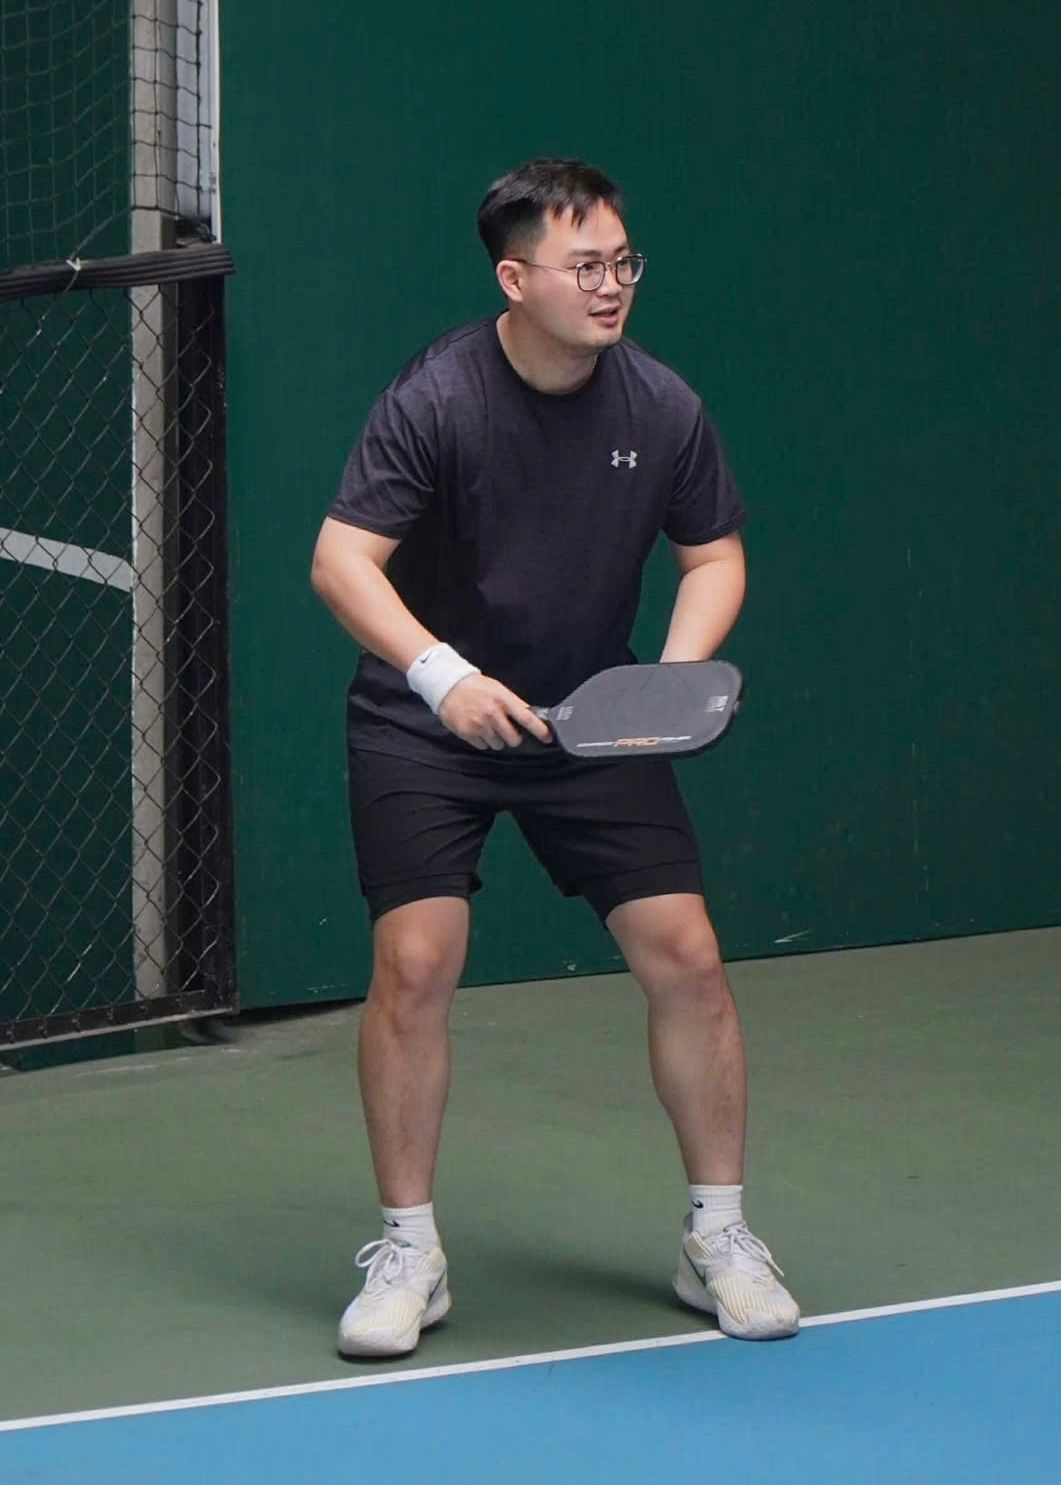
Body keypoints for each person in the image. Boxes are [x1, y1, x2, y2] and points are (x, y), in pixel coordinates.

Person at [310, 158, 800, 1357]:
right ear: (514, 278)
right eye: (584, 266)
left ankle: (718, 1237)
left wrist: (670, 676)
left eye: (622, 262)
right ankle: (410, 1252)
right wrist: (444, 678)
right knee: (415, 963)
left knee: (687, 956)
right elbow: (340, 563)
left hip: (595, 718)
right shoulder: (435, 399)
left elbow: (713, 555)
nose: (610, 284)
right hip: (428, 723)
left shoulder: (661, 407)